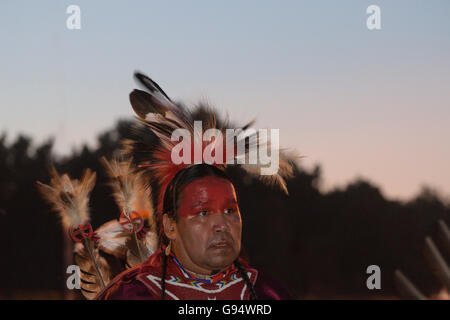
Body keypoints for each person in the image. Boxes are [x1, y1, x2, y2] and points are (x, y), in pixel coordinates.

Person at [94, 72, 294, 299]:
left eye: (230, 210)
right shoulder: (135, 294)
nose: (222, 225)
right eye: (203, 212)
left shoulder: (266, 292)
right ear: (170, 226)